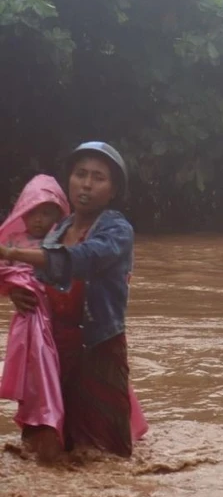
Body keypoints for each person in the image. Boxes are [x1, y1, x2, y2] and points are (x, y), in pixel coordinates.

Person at [0, 142, 147, 457]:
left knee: (105, 453)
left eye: (98, 178)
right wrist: (17, 292)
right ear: (69, 181)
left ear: (113, 190)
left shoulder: (117, 229)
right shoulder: (58, 229)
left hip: (99, 348)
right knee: (52, 448)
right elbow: (37, 279)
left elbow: (82, 259)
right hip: (56, 351)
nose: (87, 184)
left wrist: (11, 252)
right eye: (81, 174)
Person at [0, 175, 70, 461]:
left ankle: (54, 432)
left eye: (46, 213)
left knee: (63, 377)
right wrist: (14, 288)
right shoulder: (13, 241)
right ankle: (39, 429)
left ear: (58, 215)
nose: (39, 219)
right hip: (29, 321)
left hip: (61, 322)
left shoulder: (63, 242)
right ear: (22, 213)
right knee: (35, 372)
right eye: (33, 212)